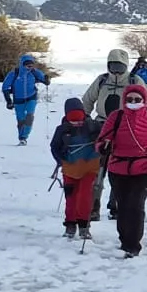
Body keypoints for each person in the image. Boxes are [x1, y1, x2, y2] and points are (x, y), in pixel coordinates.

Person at [98, 79, 147, 257]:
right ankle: (125, 240)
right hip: (118, 167)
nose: (133, 102)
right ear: (124, 100)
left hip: (145, 167)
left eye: (137, 99)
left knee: (136, 204)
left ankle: (133, 244)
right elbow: (103, 138)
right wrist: (103, 146)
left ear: (144, 100)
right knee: (123, 205)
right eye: (129, 99)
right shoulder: (116, 116)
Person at [82, 48, 135, 221]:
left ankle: (116, 205)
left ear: (126, 66)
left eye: (120, 67)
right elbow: (87, 99)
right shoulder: (102, 80)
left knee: (120, 169)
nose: (116, 71)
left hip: (125, 128)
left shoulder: (134, 81)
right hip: (102, 126)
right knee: (97, 168)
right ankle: (93, 206)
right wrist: (84, 118)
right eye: (113, 66)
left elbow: (146, 102)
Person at [47, 97, 100, 241]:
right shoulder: (61, 130)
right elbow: (54, 147)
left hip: (89, 168)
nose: (77, 123)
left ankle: (84, 226)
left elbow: (104, 140)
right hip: (69, 169)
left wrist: (99, 149)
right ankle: (70, 224)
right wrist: (61, 160)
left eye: (79, 119)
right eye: (73, 120)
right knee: (70, 198)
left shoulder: (93, 126)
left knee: (84, 196)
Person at [0, 54, 49, 144]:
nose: (30, 68)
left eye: (31, 65)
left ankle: (24, 137)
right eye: (28, 66)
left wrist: (46, 80)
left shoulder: (34, 72)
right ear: (22, 65)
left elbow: (44, 80)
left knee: (29, 117)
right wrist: (8, 101)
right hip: (18, 100)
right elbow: (5, 87)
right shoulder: (14, 74)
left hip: (31, 97)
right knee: (21, 120)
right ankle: (21, 137)